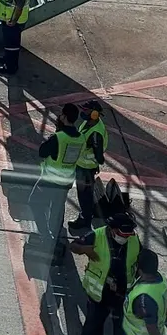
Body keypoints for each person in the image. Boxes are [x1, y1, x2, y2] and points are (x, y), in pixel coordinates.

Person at [71, 211, 138, 335]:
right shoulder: (96, 236)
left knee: (122, 327)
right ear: (113, 230)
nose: (126, 238)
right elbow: (74, 246)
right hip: (99, 293)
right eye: (123, 234)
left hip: (122, 293)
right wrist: (84, 249)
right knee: (94, 324)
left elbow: (137, 259)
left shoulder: (133, 239)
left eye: (129, 235)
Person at [33, 102, 84, 261]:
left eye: (61, 114)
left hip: (49, 181)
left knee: (34, 202)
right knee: (57, 209)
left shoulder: (58, 138)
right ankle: (54, 236)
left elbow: (42, 152)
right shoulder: (80, 138)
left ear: (64, 117)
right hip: (66, 182)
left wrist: (53, 136)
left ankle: (45, 235)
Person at [69, 99, 108, 234]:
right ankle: (86, 215)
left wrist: (93, 163)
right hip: (83, 167)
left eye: (86, 111)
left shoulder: (96, 133)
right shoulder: (90, 123)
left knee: (84, 196)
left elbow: (99, 158)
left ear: (94, 114)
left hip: (85, 169)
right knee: (85, 194)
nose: (83, 113)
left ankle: (84, 219)